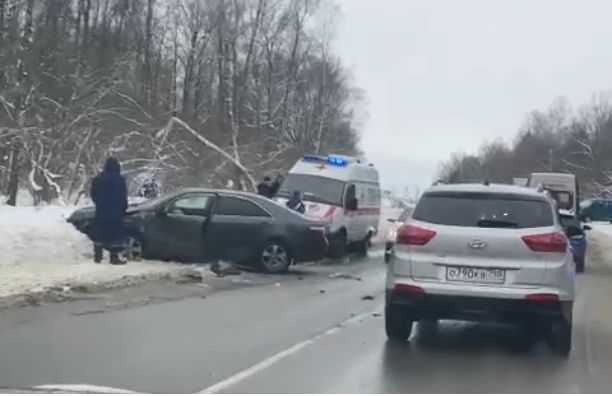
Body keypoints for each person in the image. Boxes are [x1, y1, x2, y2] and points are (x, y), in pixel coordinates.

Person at [91, 157, 128, 265]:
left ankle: (98, 257)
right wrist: (123, 208)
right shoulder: (120, 180)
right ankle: (114, 257)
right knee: (114, 236)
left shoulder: (98, 179)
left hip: (101, 211)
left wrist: (99, 203)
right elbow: (123, 196)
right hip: (115, 212)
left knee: (99, 234)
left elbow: (93, 195)